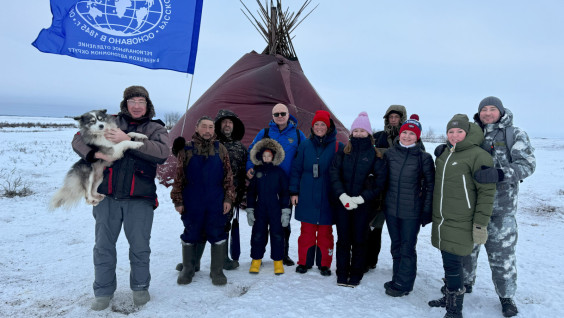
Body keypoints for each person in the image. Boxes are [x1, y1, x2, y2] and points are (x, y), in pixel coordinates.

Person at [71, 85, 170, 311]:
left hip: (140, 199)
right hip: (106, 197)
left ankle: (140, 288)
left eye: (141, 102)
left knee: (140, 247)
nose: (136, 106)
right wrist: (93, 153)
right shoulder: (109, 121)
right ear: (125, 104)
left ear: (148, 105)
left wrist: (126, 139)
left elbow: (162, 153)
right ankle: (103, 292)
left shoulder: (155, 128)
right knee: (103, 247)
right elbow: (78, 138)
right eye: (132, 101)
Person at [462, 97, 536, 317]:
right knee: (465, 252)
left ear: (500, 111)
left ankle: (506, 296)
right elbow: (456, 151)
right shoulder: (471, 132)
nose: (487, 113)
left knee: (502, 257)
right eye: (483, 109)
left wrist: (501, 173)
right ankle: (464, 285)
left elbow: (528, 164)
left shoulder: (514, 134)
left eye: (492, 109)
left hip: (501, 209)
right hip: (471, 206)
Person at [428, 114, 496, 318]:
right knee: (447, 261)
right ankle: (449, 298)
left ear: (468, 133)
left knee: (453, 264)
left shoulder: (478, 155)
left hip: (462, 220)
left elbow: (486, 192)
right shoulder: (446, 153)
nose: (455, 135)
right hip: (442, 219)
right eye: (451, 132)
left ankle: (455, 309)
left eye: (459, 131)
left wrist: (480, 224)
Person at [170, 116, 235, 286]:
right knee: (191, 232)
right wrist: (178, 200)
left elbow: (228, 177)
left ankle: (217, 271)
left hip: (216, 199)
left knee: (217, 232)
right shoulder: (187, 150)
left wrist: (229, 198)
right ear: (197, 128)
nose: (208, 131)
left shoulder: (221, 150)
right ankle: (188, 269)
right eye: (204, 127)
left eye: (211, 127)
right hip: (193, 199)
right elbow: (178, 177)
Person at [329, 112, 387, 287]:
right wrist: (343, 196)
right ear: (351, 133)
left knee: (360, 240)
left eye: (363, 131)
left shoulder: (375, 156)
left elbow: (379, 183)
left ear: (369, 134)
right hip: (343, 204)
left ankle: (356, 273)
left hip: (363, 206)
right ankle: (341, 273)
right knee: (343, 239)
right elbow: (334, 175)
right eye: (356, 130)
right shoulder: (343, 153)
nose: (359, 133)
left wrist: (361, 199)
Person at [246, 103, 306, 266]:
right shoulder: (264, 133)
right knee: (261, 222)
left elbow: (304, 158)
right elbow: (252, 150)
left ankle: (283, 254)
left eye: (282, 113)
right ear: (272, 116)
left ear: (288, 115)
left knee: (283, 222)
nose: (280, 116)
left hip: (285, 186)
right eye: (276, 114)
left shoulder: (298, 135)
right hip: (264, 184)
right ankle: (258, 254)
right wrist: (250, 167)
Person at [383, 114, 435, 297]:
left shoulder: (424, 158)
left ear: (418, 137)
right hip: (391, 209)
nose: (407, 136)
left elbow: (430, 186)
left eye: (411, 134)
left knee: (407, 247)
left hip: (411, 211)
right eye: (404, 132)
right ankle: (398, 277)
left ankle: (404, 284)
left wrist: (426, 210)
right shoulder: (390, 154)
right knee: (395, 245)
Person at [289, 110, 343, 276]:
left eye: (323, 124)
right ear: (312, 127)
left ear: (328, 127)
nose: (319, 127)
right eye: (316, 124)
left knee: (326, 232)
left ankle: (324, 264)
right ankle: (303, 262)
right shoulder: (305, 145)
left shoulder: (338, 146)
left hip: (328, 195)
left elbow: (342, 172)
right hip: (307, 193)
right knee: (307, 231)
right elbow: (296, 169)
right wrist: (294, 192)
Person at [366, 104, 407, 272]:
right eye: (391, 117)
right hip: (379, 190)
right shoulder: (377, 137)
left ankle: (401, 266)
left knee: (400, 231)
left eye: (397, 117)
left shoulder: (408, 137)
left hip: (399, 191)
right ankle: (370, 260)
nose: (393, 120)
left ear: (402, 119)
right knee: (374, 226)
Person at [246, 138, 291, 275]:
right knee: (258, 233)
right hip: (260, 208)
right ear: (260, 157)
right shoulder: (256, 173)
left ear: (273, 157)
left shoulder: (279, 172)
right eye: (264, 156)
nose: (266, 158)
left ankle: (278, 260)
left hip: (275, 208)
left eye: (269, 156)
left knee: (277, 234)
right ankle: (256, 259)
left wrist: (285, 211)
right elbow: (251, 192)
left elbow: (284, 192)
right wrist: (250, 209)